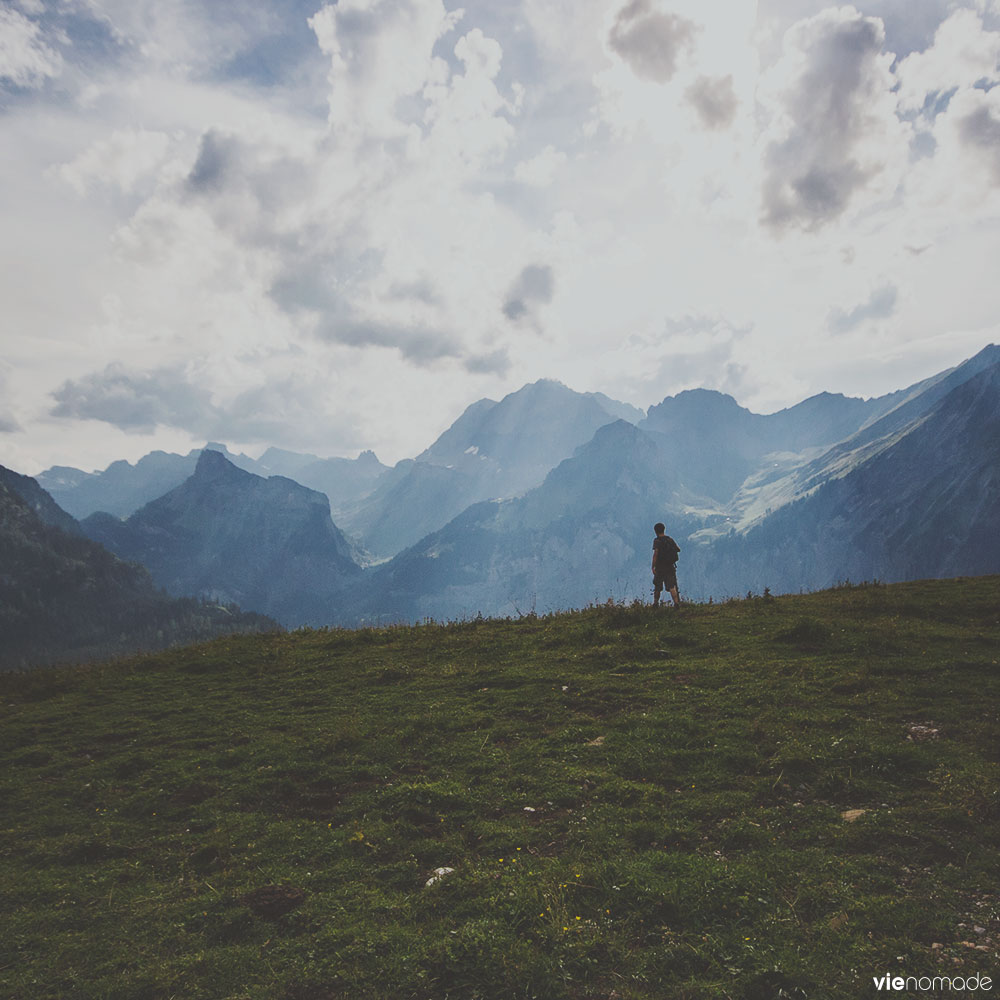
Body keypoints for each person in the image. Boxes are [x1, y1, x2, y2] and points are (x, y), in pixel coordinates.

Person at [651, 522, 681, 607]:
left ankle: (655, 604)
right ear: (664, 529)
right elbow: (678, 549)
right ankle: (676, 603)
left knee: (657, 586)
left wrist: (653, 566)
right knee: (672, 586)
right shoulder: (670, 540)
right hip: (670, 566)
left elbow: (655, 554)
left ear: (655, 531)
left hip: (660, 567)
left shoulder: (657, 541)